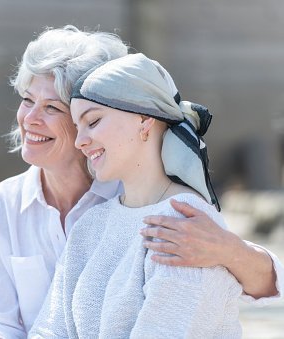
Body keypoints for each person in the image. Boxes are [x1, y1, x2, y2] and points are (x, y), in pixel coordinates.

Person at [0, 26, 283, 339]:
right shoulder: (11, 206)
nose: (29, 118)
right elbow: (1, 321)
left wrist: (232, 251)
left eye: (51, 107)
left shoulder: (158, 207)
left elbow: (250, 288)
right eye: (26, 99)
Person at [28, 52, 243, 337]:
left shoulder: (187, 224)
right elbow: (48, 329)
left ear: (144, 120)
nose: (80, 141)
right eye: (77, 127)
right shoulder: (92, 225)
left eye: (92, 122)